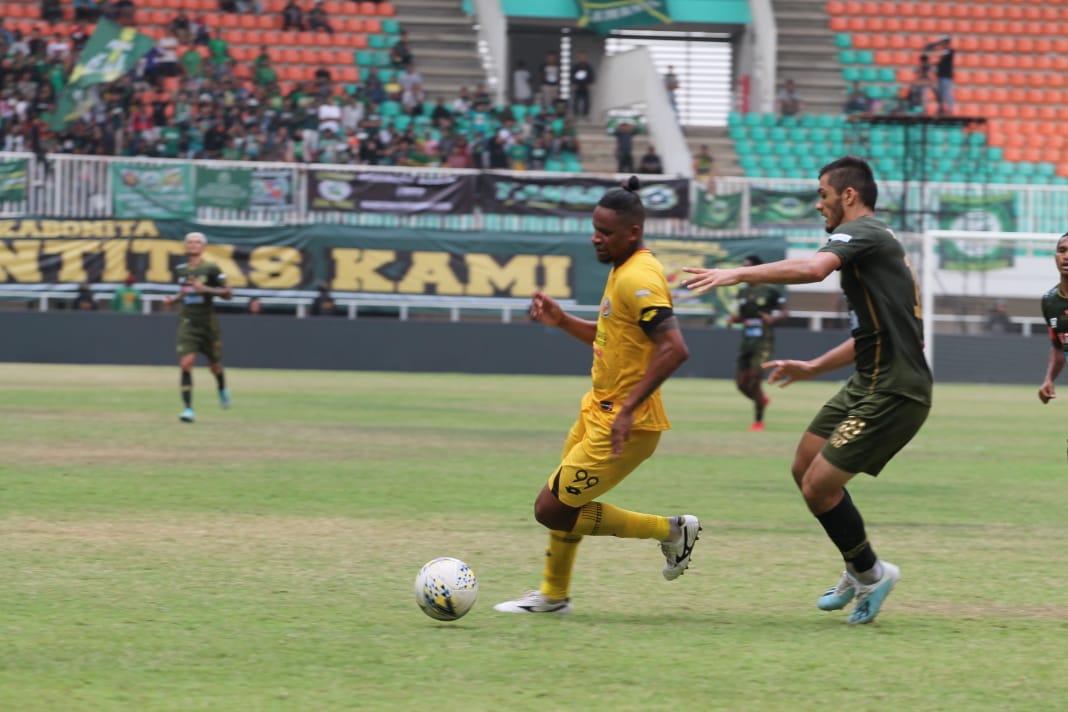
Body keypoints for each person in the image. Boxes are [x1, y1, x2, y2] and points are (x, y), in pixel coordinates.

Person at [682, 156, 932, 624]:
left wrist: (737, 273)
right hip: (869, 379)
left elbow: (814, 269)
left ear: (848, 195)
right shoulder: (873, 248)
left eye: (823, 194)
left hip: (896, 389)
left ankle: (872, 573)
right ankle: (861, 568)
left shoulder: (863, 234)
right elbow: (875, 335)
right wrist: (815, 366)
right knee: (804, 467)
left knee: (820, 485)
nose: (819, 204)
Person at [494, 177, 699, 616]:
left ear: (633, 233)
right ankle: (553, 596)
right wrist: (563, 320)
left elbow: (674, 348)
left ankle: (671, 530)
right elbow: (611, 337)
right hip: (599, 409)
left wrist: (626, 410)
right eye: (595, 228)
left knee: (551, 509)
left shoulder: (640, 276)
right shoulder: (622, 270)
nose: (596, 237)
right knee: (565, 498)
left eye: (605, 231)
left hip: (627, 423)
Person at [162, 232, 233, 424]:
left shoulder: (211, 268)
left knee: (215, 367)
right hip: (188, 323)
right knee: (186, 363)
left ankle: (222, 389)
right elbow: (185, 291)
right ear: (186, 246)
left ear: (203, 247)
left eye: (197, 242)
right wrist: (173, 300)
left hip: (208, 325)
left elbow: (229, 293)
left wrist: (207, 290)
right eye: (190, 242)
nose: (193, 245)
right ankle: (188, 409)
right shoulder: (181, 270)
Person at [724, 255, 788, 431]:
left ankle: (759, 421)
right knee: (741, 384)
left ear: (757, 269)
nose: (743, 270)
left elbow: (784, 312)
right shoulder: (743, 291)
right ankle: (761, 400)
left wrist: (772, 318)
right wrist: (733, 319)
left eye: (747, 267)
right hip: (747, 340)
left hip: (763, 342)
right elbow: (744, 316)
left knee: (754, 381)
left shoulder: (770, 290)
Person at [1038, 233, 1068, 404]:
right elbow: (1059, 346)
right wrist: (1049, 379)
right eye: (1062, 250)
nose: (1066, 257)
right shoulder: (1050, 302)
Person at [929, 35, 954, 115]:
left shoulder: (950, 51)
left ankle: (950, 110)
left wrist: (936, 46)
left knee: (946, 92)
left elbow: (941, 53)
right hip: (941, 76)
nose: (942, 44)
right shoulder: (944, 52)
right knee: (940, 93)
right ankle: (940, 109)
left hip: (946, 76)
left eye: (944, 42)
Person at [570, 51, 595, 119]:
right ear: (579, 58)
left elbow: (592, 76)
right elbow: (572, 75)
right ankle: (576, 114)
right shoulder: (575, 66)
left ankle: (585, 114)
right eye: (581, 57)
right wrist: (573, 84)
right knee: (576, 100)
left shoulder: (589, 67)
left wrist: (590, 84)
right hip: (577, 86)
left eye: (584, 57)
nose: (582, 58)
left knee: (586, 101)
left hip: (585, 87)